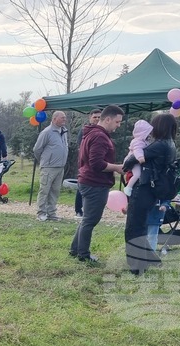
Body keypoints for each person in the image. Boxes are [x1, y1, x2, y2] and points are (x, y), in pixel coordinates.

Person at [70, 104, 125, 264]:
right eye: (117, 122)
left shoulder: (92, 133)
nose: (118, 125)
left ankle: (75, 249)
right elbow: (96, 164)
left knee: (87, 218)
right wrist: (117, 168)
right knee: (91, 220)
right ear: (107, 119)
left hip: (89, 180)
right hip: (95, 183)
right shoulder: (100, 137)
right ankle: (83, 254)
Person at [124, 113, 178, 274]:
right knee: (140, 226)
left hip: (144, 189)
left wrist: (129, 160)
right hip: (154, 190)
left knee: (134, 227)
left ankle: (138, 266)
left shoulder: (158, 145)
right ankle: (151, 259)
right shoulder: (171, 144)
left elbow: (130, 161)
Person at [32, 112, 69, 221]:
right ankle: (41, 213)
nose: (64, 120)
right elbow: (37, 149)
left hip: (60, 167)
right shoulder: (47, 132)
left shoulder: (64, 131)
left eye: (65, 118)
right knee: (44, 190)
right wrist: (45, 161)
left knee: (55, 191)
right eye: (62, 118)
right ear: (54, 119)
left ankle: (51, 213)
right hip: (48, 167)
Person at [74, 109, 102, 217]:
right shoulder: (84, 130)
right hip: (85, 164)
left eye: (99, 117)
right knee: (82, 186)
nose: (97, 119)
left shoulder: (103, 131)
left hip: (98, 164)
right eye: (95, 117)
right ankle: (78, 209)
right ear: (90, 117)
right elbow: (81, 147)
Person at [121, 119, 154, 197]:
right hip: (134, 160)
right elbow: (137, 150)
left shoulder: (143, 141)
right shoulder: (137, 141)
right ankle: (128, 187)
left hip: (136, 160)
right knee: (137, 174)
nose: (149, 134)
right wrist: (140, 157)